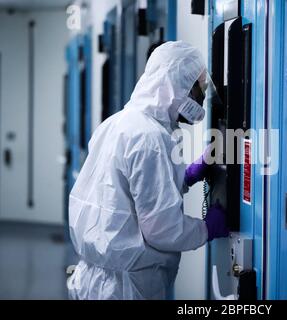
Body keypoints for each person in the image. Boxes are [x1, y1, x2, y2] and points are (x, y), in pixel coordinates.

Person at [67, 41, 229, 300]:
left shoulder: (118, 123)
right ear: (176, 86)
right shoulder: (149, 138)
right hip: (125, 287)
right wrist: (207, 228)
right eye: (197, 89)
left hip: (96, 279)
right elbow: (163, 229)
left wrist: (183, 178)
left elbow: (126, 192)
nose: (200, 98)